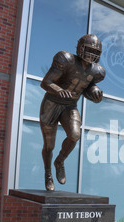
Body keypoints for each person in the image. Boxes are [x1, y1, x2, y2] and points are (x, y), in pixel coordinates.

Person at [40, 34, 105, 191]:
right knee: (49, 145)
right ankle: (48, 173)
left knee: (75, 135)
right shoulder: (66, 59)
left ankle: (60, 160)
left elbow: (87, 87)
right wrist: (58, 90)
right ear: (80, 48)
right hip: (52, 102)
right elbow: (46, 82)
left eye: (95, 52)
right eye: (88, 49)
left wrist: (95, 92)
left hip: (70, 105)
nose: (91, 54)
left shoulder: (97, 71)